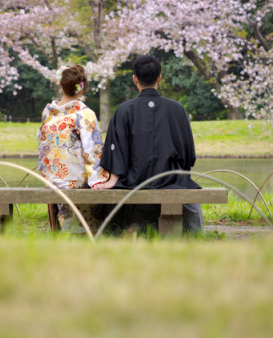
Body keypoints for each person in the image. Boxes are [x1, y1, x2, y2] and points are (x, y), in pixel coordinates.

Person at [96, 54, 203, 233]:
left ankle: (119, 231)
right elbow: (188, 155)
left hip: (133, 181)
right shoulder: (177, 109)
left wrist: (113, 178)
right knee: (190, 193)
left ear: (135, 79)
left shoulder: (123, 110)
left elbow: (116, 150)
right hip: (171, 179)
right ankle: (193, 234)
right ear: (159, 78)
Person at [38, 64, 117, 232]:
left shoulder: (48, 112)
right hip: (76, 183)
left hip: (52, 180)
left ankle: (65, 230)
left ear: (61, 85)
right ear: (82, 88)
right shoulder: (84, 114)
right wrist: (98, 179)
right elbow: (92, 150)